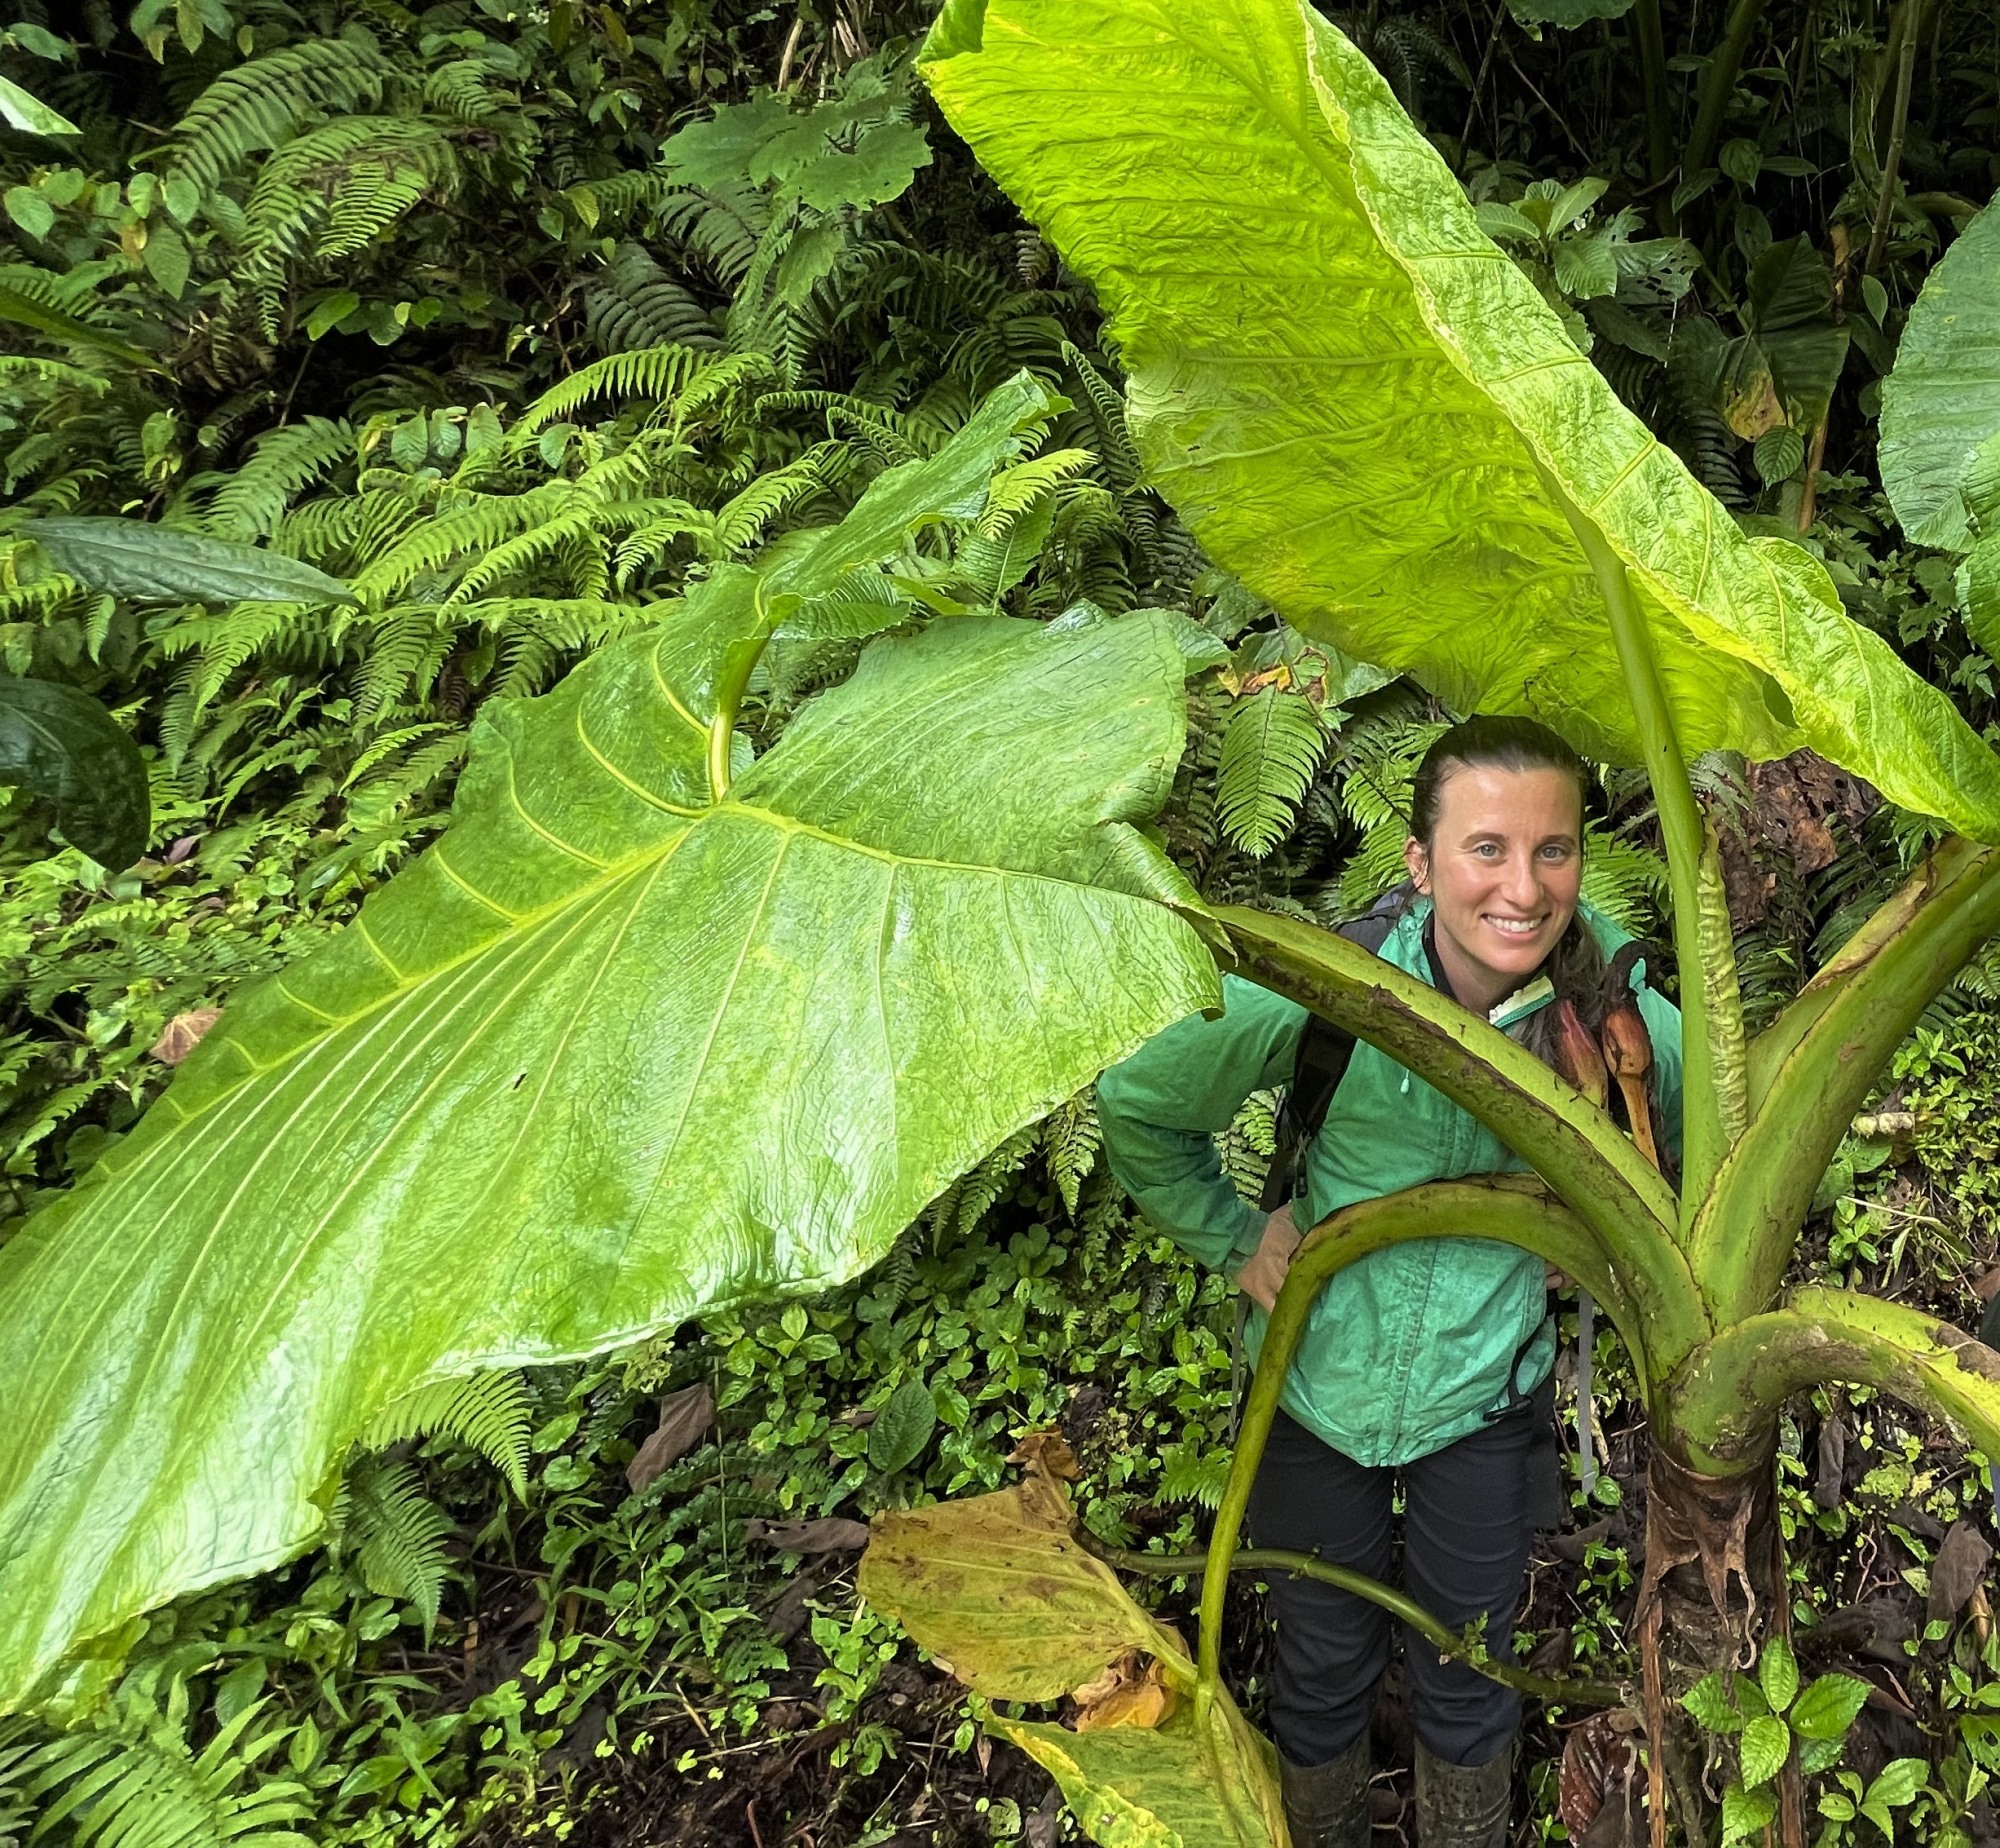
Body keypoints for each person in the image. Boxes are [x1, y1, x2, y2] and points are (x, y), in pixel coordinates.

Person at [1096, 716, 1683, 1848]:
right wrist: (1234, 1238)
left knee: (1471, 1659)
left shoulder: (1604, 1010)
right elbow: (1139, 1107)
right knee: (1319, 1660)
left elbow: (1706, 1136)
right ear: (1417, 865)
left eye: (1551, 850)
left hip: (1481, 1394)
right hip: (1318, 1384)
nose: (1522, 887)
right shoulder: (1335, 992)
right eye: (1485, 849)